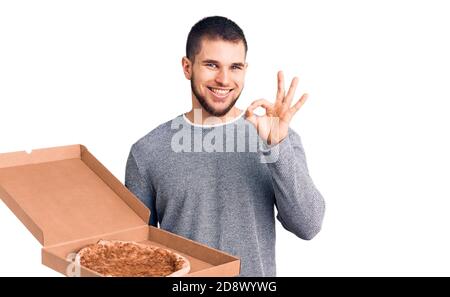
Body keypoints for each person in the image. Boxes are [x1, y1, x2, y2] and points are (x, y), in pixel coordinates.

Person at [125, 16, 325, 277]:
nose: (224, 79)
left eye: (235, 67)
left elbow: (308, 225)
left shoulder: (275, 138)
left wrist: (277, 147)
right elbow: (136, 256)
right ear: (187, 67)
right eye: (211, 65)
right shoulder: (147, 152)